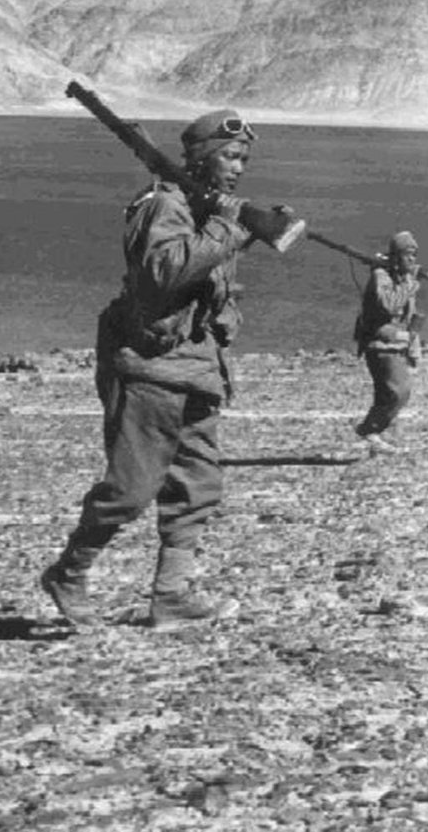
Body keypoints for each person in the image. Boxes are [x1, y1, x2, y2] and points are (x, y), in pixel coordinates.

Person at [41, 110, 262, 632]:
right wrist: (227, 229)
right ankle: (69, 574)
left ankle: (173, 595)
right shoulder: (163, 204)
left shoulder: (207, 211)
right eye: (230, 156)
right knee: (130, 490)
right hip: (150, 370)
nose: (237, 168)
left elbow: (207, 277)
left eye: (244, 160)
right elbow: (162, 275)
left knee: (198, 485)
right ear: (202, 156)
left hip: (196, 369)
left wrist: (241, 232)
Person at [352, 231, 422, 455]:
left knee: (391, 393)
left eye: (414, 254)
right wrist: (411, 284)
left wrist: (414, 347)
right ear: (397, 255)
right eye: (407, 254)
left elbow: (409, 316)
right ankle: (370, 431)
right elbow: (388, 306)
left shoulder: (403, 278)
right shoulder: (381, 276)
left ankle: (372, 437)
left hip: (397, 345)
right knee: (398, 391)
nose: (412, 259)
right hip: (380, 345)